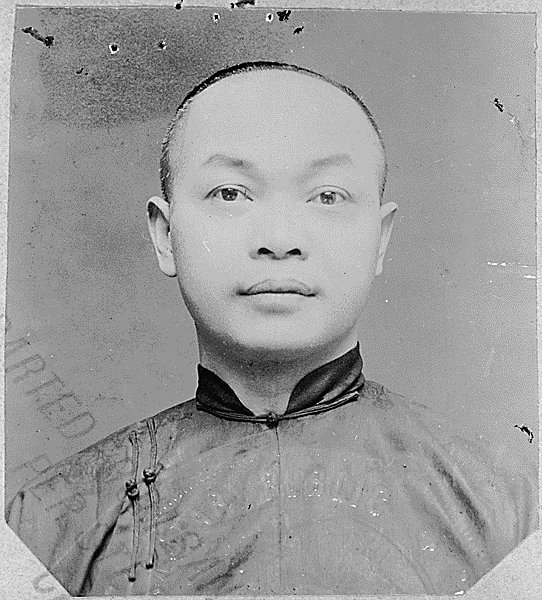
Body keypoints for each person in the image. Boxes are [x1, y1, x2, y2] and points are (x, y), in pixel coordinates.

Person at [6, 61, 536, 597]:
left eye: (327, 195)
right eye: (231, 193)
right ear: (166, 236)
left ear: (379, 239)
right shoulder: (47, 526)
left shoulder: (512, 506)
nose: (280, 240)